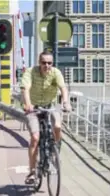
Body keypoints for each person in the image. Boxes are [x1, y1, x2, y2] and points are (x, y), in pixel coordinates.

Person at [20, 51, 73, 184]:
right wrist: (28, 104)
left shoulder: (56, 73)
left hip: (50, 105)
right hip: (34, 107)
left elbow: (63, 88)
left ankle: (55, 148)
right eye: (44, 62)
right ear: (39, 62)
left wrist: (66, 102)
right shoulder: (30, 72)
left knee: (57, 126)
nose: (47, 65)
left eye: (49, 63)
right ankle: (32, 172)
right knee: (35, 138)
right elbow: (25, 89)